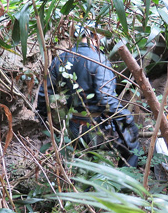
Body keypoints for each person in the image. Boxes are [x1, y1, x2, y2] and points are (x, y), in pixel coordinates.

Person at [37, 23, 140, 167]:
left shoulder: (61, 59)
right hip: (96, 128)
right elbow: (106, 99)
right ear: (96, 36)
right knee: (134, 148)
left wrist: (42, 116)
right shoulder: (99, 60)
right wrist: (128, 120)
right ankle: (124, 186)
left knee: (85, 164)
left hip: (72, 127)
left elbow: (44, 93)